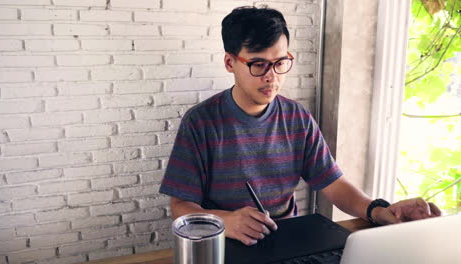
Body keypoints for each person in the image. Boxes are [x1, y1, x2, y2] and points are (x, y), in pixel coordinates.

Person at [159, 6, 441, 246]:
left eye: (280, 62)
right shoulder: (201, 123)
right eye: (258, 65)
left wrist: (379, 210)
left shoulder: (297, 118)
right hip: (224, 244)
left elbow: (333, 184)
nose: (272, 77)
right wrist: (227, 221)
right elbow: (181, 207)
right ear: (230, 62)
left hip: (286, 240)